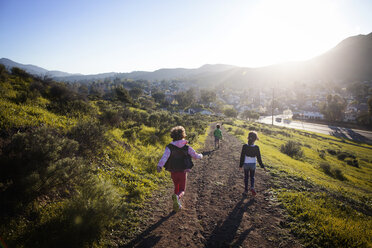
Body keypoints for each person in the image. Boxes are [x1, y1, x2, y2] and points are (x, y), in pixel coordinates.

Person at [157, 126, 203, 212]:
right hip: (183, 171)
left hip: (173, 171)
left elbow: (164, 157)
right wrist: (201, 156)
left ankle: (177, 203)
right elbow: (195, 156)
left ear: (172, 136)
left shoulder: (169, 147)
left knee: (176, 186)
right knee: (182, 189)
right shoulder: (187, 147)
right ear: (183, 135)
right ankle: (178, 197)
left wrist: (159, 166)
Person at [239, 131, 267, 196]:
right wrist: (263, 167)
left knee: (246, 177)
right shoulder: (256, 147)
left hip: (246, 164)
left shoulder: (244, 146)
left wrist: (240, 165)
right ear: (255, 139)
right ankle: (252, 187)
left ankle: (246, 190)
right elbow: (259, 158)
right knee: (252, 177)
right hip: (253, 164)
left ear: (248, 138)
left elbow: (242, 156)